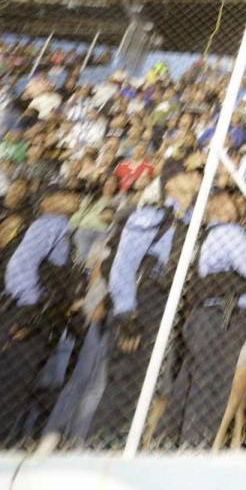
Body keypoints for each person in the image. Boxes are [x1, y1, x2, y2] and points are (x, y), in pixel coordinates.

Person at [89, 164, 201, 445]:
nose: (197, 176)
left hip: (170, 302)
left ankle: (124, 440)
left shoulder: (192, 221)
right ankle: (102, 442)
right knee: (126, 374)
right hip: (144, 297)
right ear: (172, 184)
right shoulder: (151, 216)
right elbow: (123, 266)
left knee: (146, 379)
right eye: (190, 171)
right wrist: (127, 313)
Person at [166, 189, 246, 448]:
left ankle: (168, 443)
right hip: (223, 318)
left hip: (204, 315)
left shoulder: (205, 235)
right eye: (233, 202)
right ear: (220, 207)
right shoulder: (231, 233)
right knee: (211, 386)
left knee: (190, 381)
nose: (239, 206)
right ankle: (195, 446)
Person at [0, 186, 80, 444]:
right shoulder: (50, 225)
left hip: (42, 314)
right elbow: (20, 265)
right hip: (29, 314)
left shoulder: (62, 229)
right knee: (13, 381)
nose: (75, 196)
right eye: (66, 194)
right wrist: (29, 308)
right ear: (47, 202)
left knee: (19, 381)